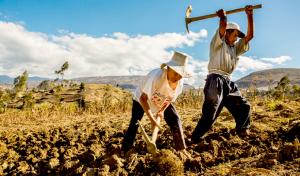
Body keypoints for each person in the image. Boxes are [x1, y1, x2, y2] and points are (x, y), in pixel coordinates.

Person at [191, 5, 254, 143]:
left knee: (244, 106)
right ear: (227, 33)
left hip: (228, 81)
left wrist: (249, 15)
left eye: (238, 36)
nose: (237, 38)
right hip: (215, 80)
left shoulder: (235, 48)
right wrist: (223, 17)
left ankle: (242, 130)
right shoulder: (217, 43)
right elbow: (223, 25)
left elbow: (249, 36)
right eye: (235, 34)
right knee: (211, 112)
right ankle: (195, 138)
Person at [121, 51, 191, 156]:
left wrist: (161, 111)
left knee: (175, 119)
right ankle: (125, 149)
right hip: (141, 99)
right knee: (135, 122)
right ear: (169, 68)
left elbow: (169, 99)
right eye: (176, 73)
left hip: (160, 101)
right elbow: (143, 98)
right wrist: (152, 119)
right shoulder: (156, 77)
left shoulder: (179, 84)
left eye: (181, 75)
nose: (178, 77)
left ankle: (181, 149)